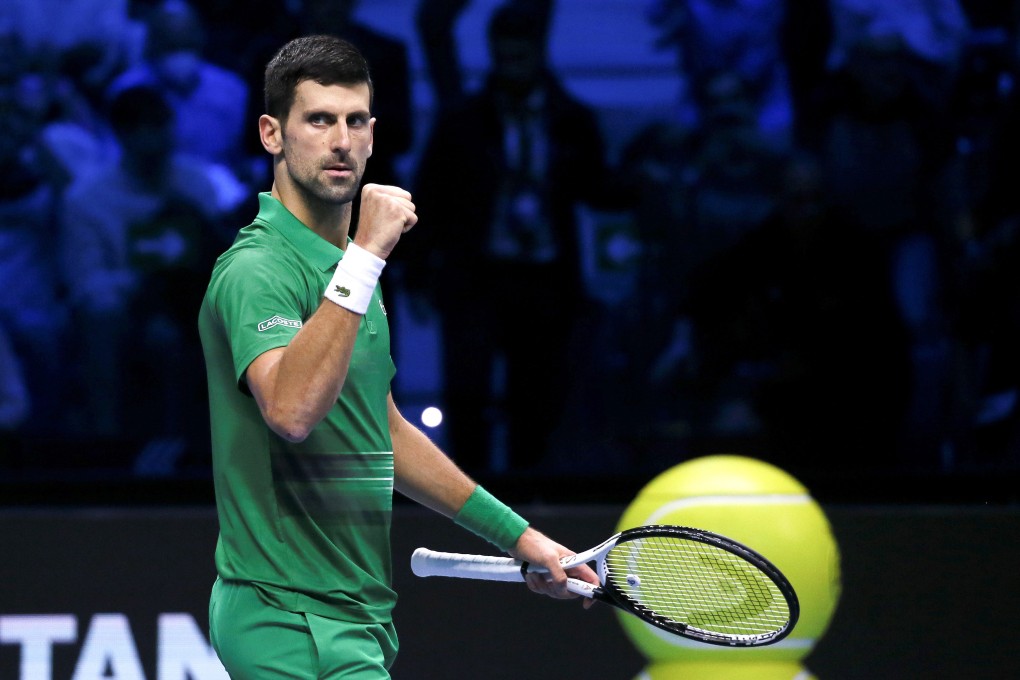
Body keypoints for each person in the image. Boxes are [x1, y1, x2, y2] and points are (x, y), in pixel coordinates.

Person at [198, 35, 596, 679]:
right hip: (286, 616)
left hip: (355, 614)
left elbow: (380, 431)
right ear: (272, 134)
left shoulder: (349, 272)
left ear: (374, 135)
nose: (341, 141)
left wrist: (522, 538)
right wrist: (366, 256)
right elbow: (292, 412)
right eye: (318, 120)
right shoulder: (258, 269)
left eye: (355, 121)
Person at [410, 2, 629, 473]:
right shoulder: (463, 120)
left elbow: (596, 186)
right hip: (477, 277)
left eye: (521, 55)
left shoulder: (568, 118)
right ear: (493, 52)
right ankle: (469, 498)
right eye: (505, 55)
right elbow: (431, 199)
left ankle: (527, 496)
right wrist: (419, 274)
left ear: (537, 52)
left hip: (544, 278)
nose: (513, 65)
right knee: (468, 395)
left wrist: (642, 172)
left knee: (536, 397)